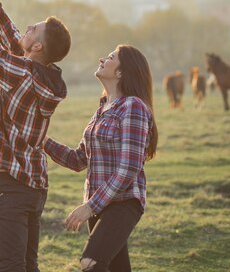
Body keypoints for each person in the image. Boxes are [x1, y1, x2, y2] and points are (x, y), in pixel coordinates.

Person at [0, 0, 71, 272]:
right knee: (27, 266)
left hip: (11, 185)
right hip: (34, 185)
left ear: (36, 46)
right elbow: (9, 34)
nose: (26, 29)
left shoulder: (20, 74)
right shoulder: (39, 74)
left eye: (32, 30)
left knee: (10, 268)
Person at [43, 45, 159, 272]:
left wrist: (89, 206)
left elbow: (129, 169)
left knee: (92, 261)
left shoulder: (133, 107)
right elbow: (78, 159)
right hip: (100, 205)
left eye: (111, 57)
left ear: (121, 72)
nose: (102, 58)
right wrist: (43, 140)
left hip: (123, 203)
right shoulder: (102, 109)